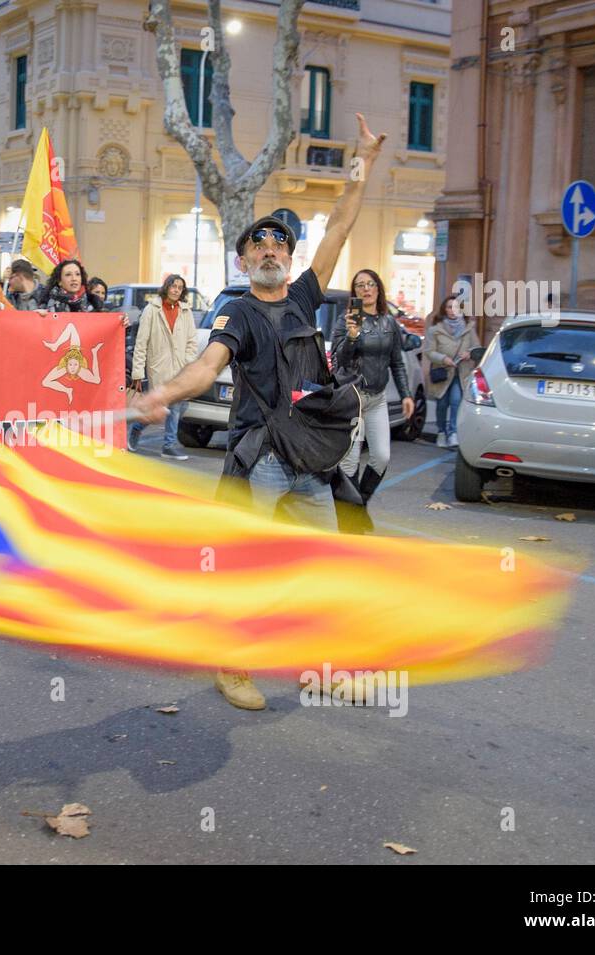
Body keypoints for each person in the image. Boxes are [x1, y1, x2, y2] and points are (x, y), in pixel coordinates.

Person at [132, 112, 385, 711]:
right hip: (263, 459)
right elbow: (207, 365)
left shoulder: (302, 295)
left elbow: (341, 227)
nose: (269, 249)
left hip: (311, 460)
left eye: (278, 243)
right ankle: (234, 666)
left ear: (290, 261)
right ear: (244, 262)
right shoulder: (237, 313)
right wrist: (162, 396)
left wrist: (364, 163)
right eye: (258, 244)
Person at [330, 268, 414, 503]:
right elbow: (340, 362)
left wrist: (406, 395)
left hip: (377, 399)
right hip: (353, 400)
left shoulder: (389, 323)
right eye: (360, 285)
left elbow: (397, 362)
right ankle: (349, 515)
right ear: (354, 292)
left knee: (381, 456)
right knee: (349, 461)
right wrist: (352, 336)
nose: (366, 289)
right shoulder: (345, 321)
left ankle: (360, 503)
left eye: (370, 284)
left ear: (378, 288)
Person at [129, 274, 196, 460]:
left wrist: (188, 361)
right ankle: (140, 430)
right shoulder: (152, 310)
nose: (176, 290)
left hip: (180, 368)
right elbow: (141, 343)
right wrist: (137, 371)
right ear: (166, 287)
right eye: (173, 286)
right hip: (159, 368)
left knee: (177, 406)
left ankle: (168, 444)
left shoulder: (186, 311)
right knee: (162, 406)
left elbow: (192, 341)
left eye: (180, 287)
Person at [424, 294, 480, 448]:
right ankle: (441, 432)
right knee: (442, 404)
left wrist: (469, 354)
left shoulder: (469, 328)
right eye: (449, 307)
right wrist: (443, 359)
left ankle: (453, 432)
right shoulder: (435, 330)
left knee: (456, 401)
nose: (452, 310)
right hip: (443, 371)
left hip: (461, 372)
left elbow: (477, 348)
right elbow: (428, 351)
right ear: (444, 309)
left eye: (456, 307)